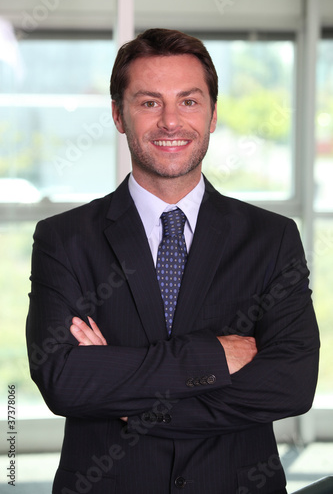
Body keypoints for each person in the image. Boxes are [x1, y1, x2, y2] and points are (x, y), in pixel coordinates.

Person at [26, 28, 320, 494]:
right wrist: (214, 355)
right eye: (148, 102)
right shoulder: (64, 239)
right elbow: (63, 379)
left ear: (213, 114)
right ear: (119, 116)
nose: (170, 121)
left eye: (188, 101)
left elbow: (291, 383)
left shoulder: (272, 238)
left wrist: (135, 401)